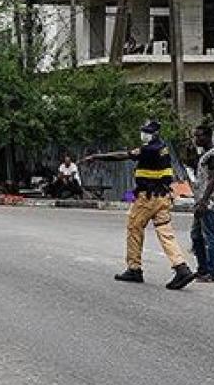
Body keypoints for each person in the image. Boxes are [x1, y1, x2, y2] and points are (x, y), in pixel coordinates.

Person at [83, 120, 195, 290]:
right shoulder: (163, 147)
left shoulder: (150, 149)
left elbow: (123, 156)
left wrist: (97, 157)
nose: (144, 134)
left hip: (148, 197)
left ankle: (134, 268)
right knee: (165, 232)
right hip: (163, 197)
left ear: (154, 134)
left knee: (134, 227)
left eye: (147, 132)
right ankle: (181, 267)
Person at [190, 126, 214, 283]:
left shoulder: (213, 155)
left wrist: (204, 201)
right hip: (200, 201)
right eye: (195, 136)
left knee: (209, 236)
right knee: (196, 235)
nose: (196, 139)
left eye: (199, 136)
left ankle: (213, 272)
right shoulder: (205, 154)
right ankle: (203, 269)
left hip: (208, 202)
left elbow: (212, 179)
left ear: (208, 136)